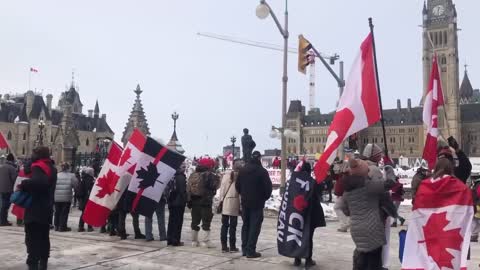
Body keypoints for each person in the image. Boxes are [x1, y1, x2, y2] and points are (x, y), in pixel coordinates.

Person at [342, 158, 394, 270]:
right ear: (364, 172)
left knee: (362, 255)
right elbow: (390, 183)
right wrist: (389, 168)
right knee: (374, 260)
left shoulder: (347, 190)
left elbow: (344, 209)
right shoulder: (369, 186)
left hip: (356, 229)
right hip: (372, 228)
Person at [18, 146, 56, 270]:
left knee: (32, 236)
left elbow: (39, 183)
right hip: (46, 206)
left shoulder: (39, 167)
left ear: (38, 155)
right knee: (44, 236)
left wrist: (23, 184)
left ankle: (33, 262)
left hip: (35, 207)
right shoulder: (52, 167)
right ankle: (43, 261)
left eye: (33, 153)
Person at [235, 151, 272, 258]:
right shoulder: (262, 171)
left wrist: (244, 194)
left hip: (245, 202)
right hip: (257, 203)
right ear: (259, 158)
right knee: (254, 227)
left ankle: (244, 249)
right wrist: (263, 198)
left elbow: (237, 186)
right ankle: (250, 250)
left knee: (245, 225)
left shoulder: (243, 170)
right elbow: (268, 189)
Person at [293, 162, 326, 268]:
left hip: (298, 212)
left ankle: (297, 258)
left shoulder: (295, 182)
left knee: (298, 235)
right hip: (311, 214)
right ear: (309, 171)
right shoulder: (313, 182)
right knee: (308, 237)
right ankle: (308, 259)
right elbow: (321, 189)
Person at [187, 157, 220, 248]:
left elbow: (188, 188)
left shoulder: (193, 174)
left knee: (195, 221)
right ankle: (205, 242)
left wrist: (189, 200)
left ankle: (194, 241)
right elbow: (216, 186)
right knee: (206, 221)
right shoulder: (209, 175)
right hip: (206, 201)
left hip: (194, 201)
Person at [219, 159, 242, 253]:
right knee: (233, 226)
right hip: (235, 202)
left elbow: (222, 190)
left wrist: (221, 200)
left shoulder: (225, 176)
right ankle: (232, 246)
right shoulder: (240, 177)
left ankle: (224, 246)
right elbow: (240, 192)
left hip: (225, 202)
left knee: (224, 225)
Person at [167, 162, 188, 246]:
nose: (185, 168)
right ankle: (176, 240)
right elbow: (182, 191)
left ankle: (170, 239)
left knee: (171, 221)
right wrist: (186, 200)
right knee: (178, 222)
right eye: (183, 167)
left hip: (171, 201)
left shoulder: (172, 176)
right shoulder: (181, 177)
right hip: (178, 203)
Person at [53, 163, 77, 232]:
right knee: (64, 212)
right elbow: (76, 185)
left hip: (57, 196)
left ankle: (56, 226)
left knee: (57, 212)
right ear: (68, 168)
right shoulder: (71, 176)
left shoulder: (57, 175)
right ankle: (62, 227)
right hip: (66, 197)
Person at [332, 159, 350, 232]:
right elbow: (334, 177)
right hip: (342, 194)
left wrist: (340, 193)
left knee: (337, 208)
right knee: (346, 210)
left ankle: (345, 224)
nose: (338, 165)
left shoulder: (346, 173)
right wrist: (331, 167)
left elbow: (343, 184)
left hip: (344, 194)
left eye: (340, 164)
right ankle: (347, 223)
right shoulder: (342, 173)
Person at [0, 153, 18, 226]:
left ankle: (2, 219)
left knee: (2, 205)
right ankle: (3, 221)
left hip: (1, 188)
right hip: (8, 189)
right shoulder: (12, 168)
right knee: (6, 205)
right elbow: (14, 179)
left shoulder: (2, 167)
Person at [77, 167, 94, 232]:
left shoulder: (83, 179)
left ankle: (80, 226)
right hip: (89, 199)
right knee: (89, 213)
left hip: (83, 199)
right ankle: (89, 227)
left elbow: (79, 191)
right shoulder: (91, 180)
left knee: (84, 213)